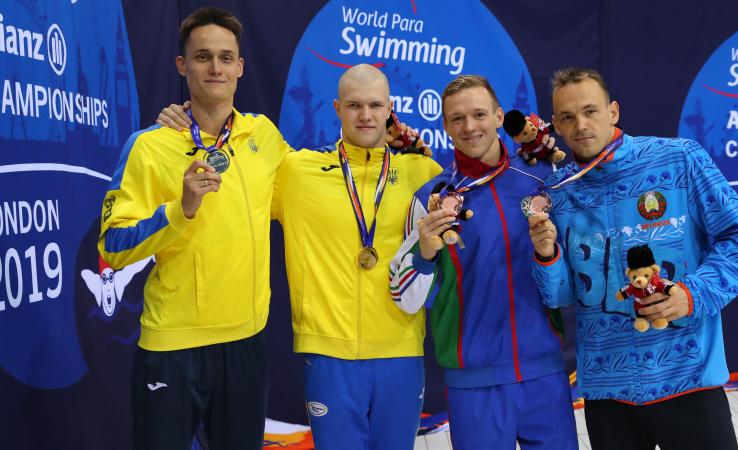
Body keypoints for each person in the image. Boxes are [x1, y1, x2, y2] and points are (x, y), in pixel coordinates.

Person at [158, 63, 442, 450]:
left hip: (401, 351)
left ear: (390, 108)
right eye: (355, 105)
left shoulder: (423, 172)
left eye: (376, 105)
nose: (366, 115)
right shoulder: (297, 171)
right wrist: (189, 126)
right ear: (337, 108)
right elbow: (233, 175)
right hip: (327, 354)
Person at [529, 67, 738, 450]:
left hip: (688, 380)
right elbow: (560, 296)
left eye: (591, 111)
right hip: (608, 393)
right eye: (567, 117)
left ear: (614, 112)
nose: (581, 125)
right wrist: (546, 253)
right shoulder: (558, 194)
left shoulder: (679, 160)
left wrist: (691, 295)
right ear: (555, 124)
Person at [98, 7, 291, 450]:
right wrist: (178, 209)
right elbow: (112, 245)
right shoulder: (149, 146)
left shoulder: (264, 138)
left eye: (226, 57)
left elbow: (318, 188)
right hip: (172, 347)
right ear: (182, 66)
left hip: (246, 341)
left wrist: (392, 148)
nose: (216, 67)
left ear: (241, 67)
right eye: (203, 57)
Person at [389, 75, 578, 450]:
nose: (469, 126)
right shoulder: (432, 198)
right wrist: (425, 253)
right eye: (457, 118)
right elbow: (404, 296)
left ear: (497, 116)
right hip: (473, 384)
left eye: (478, 114)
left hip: (545, 376)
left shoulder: (542, 180)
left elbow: (573, 267)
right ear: (444, 125)